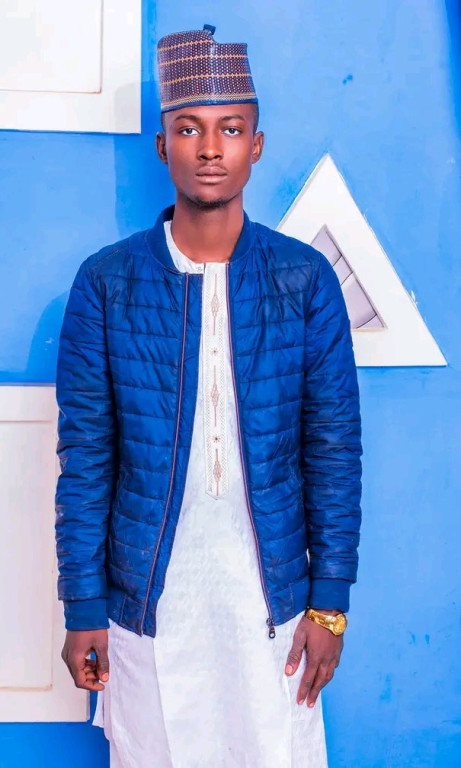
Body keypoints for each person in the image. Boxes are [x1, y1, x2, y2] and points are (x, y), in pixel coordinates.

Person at [55, 24, 362, 768]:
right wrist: (82, 603)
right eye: (189, 129)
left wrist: (330, 603)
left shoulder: (303, 281)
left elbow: (333, 450)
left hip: (272, 600)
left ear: (256, 144)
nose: (210, 149)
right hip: (148, 602)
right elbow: (86, 457)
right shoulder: (107, 283)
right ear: (163, 146)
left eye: (230, 128)